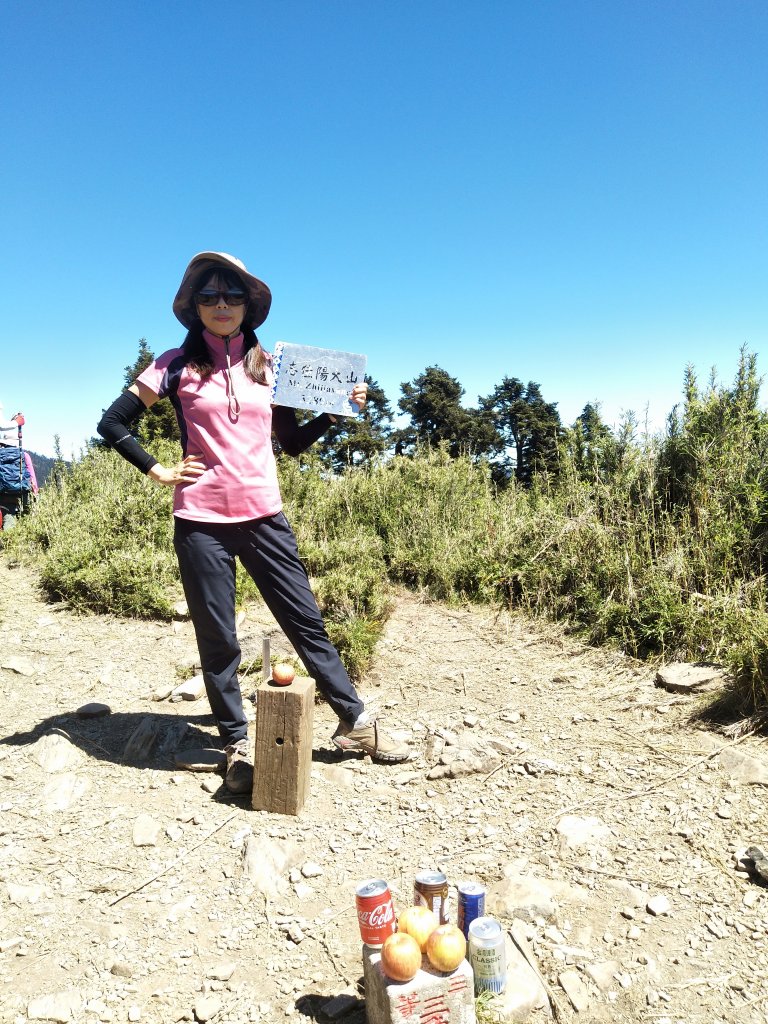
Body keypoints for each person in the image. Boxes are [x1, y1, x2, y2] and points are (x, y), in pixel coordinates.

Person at [98, 252, 409, 793]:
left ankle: (354, 721)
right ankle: (236, 742)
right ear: (194, 306)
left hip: (264, 515)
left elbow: (288, 443)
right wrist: (157, 469)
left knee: (304, 621)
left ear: (249, 305)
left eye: (233, 296)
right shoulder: (174, 364)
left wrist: (333, 414)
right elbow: (112, 421)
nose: (222, 305)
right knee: (218, 638)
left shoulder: (272, 365)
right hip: (199, 519)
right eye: (210, 297)